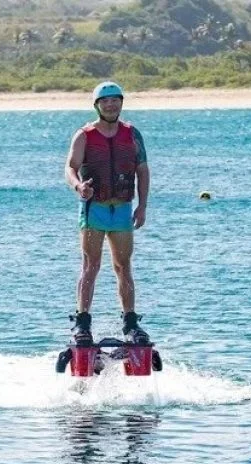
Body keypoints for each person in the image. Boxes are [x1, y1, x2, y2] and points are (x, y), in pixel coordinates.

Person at [64, 81, 150, 345]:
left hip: (122, 209)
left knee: (123, 266)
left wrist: (142, 205)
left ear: (121, 103)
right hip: (94, 210)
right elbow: (70, 167)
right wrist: (78, 186)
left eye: (115, 100)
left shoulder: (132, 134)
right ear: (97, 105)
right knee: (91, 265)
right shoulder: (85, 134)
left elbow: (142, 171)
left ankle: (130, 323)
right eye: (105, 101)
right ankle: (82, 323)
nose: (111, 105)